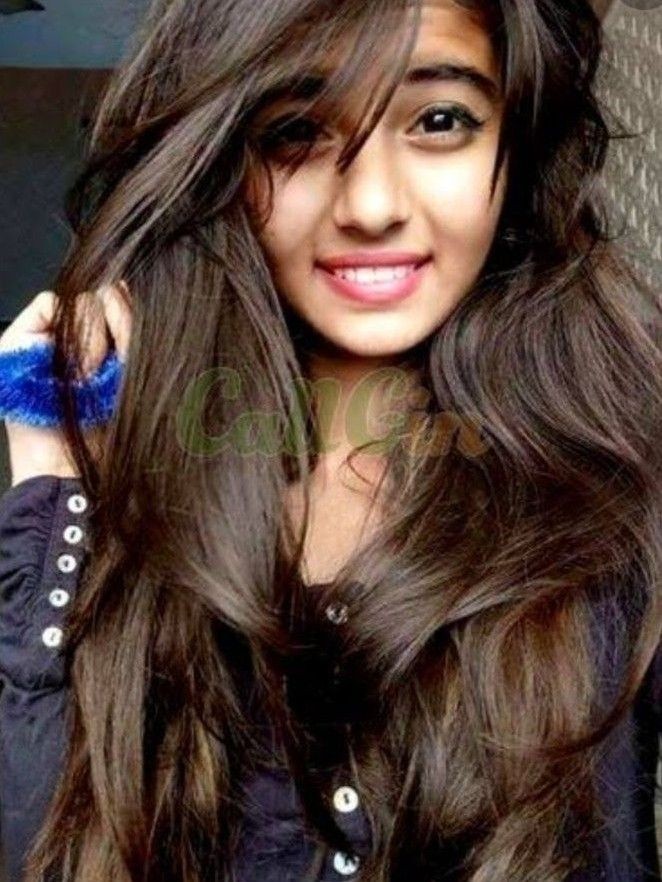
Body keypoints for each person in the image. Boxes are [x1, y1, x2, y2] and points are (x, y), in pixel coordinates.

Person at [0, 0, 660, 881]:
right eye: (296, 132)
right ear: (219, 158)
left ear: (517, 137)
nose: (372, 205)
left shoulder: (622, 468)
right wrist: (54, 482)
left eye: (440, 120)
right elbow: (49, 840)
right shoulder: (134, 494)